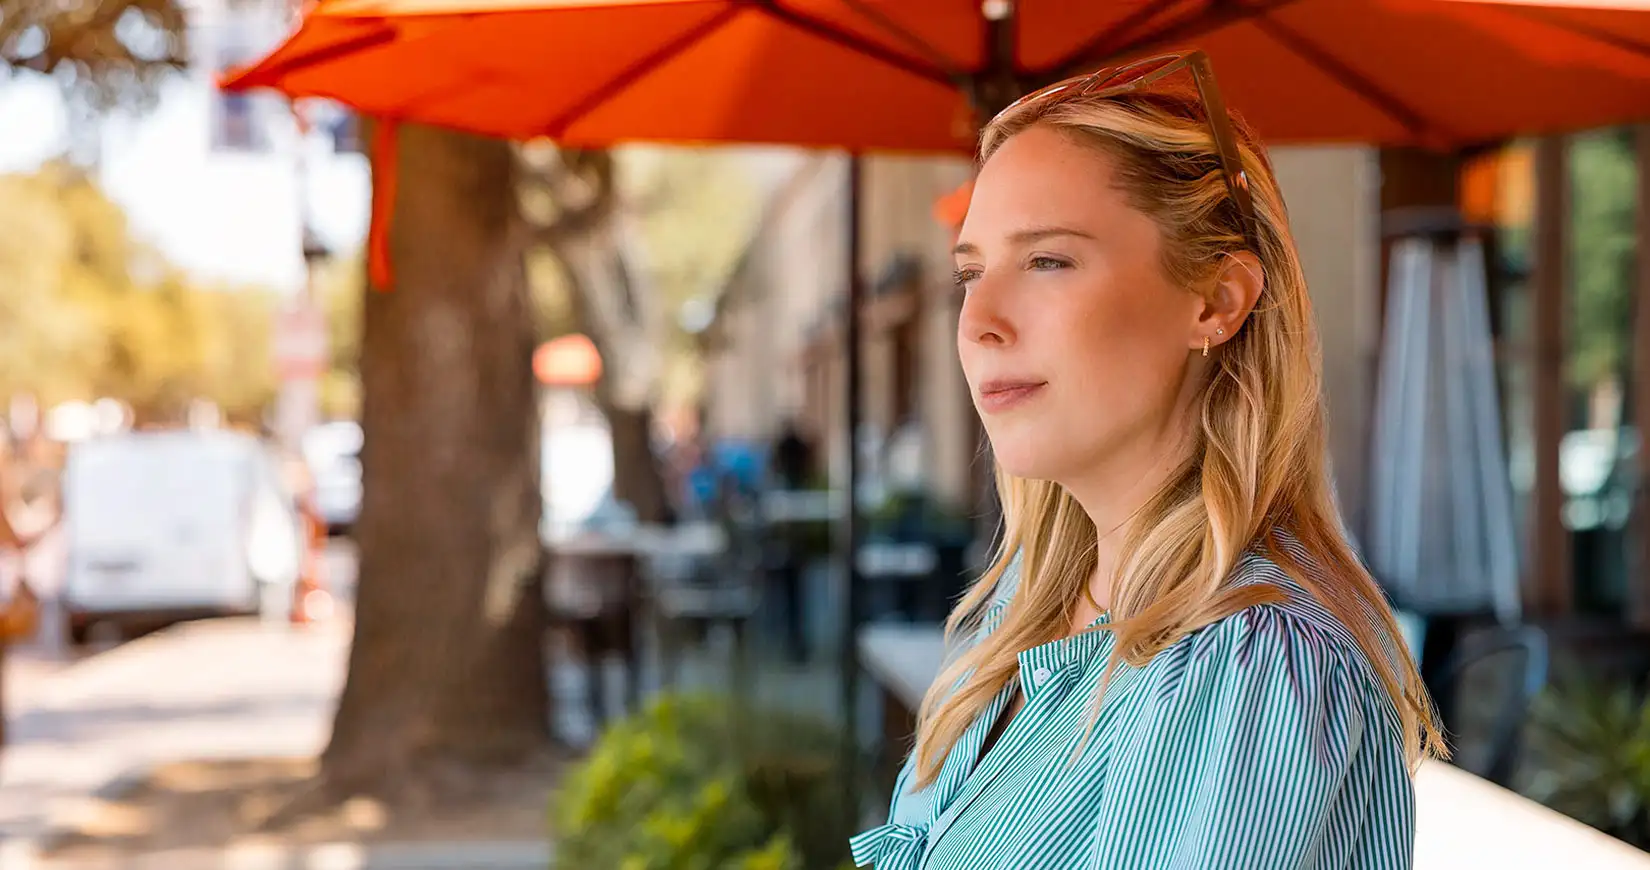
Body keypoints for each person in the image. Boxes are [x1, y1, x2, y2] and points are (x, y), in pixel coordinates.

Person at [850, 51, 1445, 870]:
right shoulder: (1034, 599)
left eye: (1047, 260)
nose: (979, 319)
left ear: (1216, 301)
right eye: (971, 272)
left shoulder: (1249, 662)